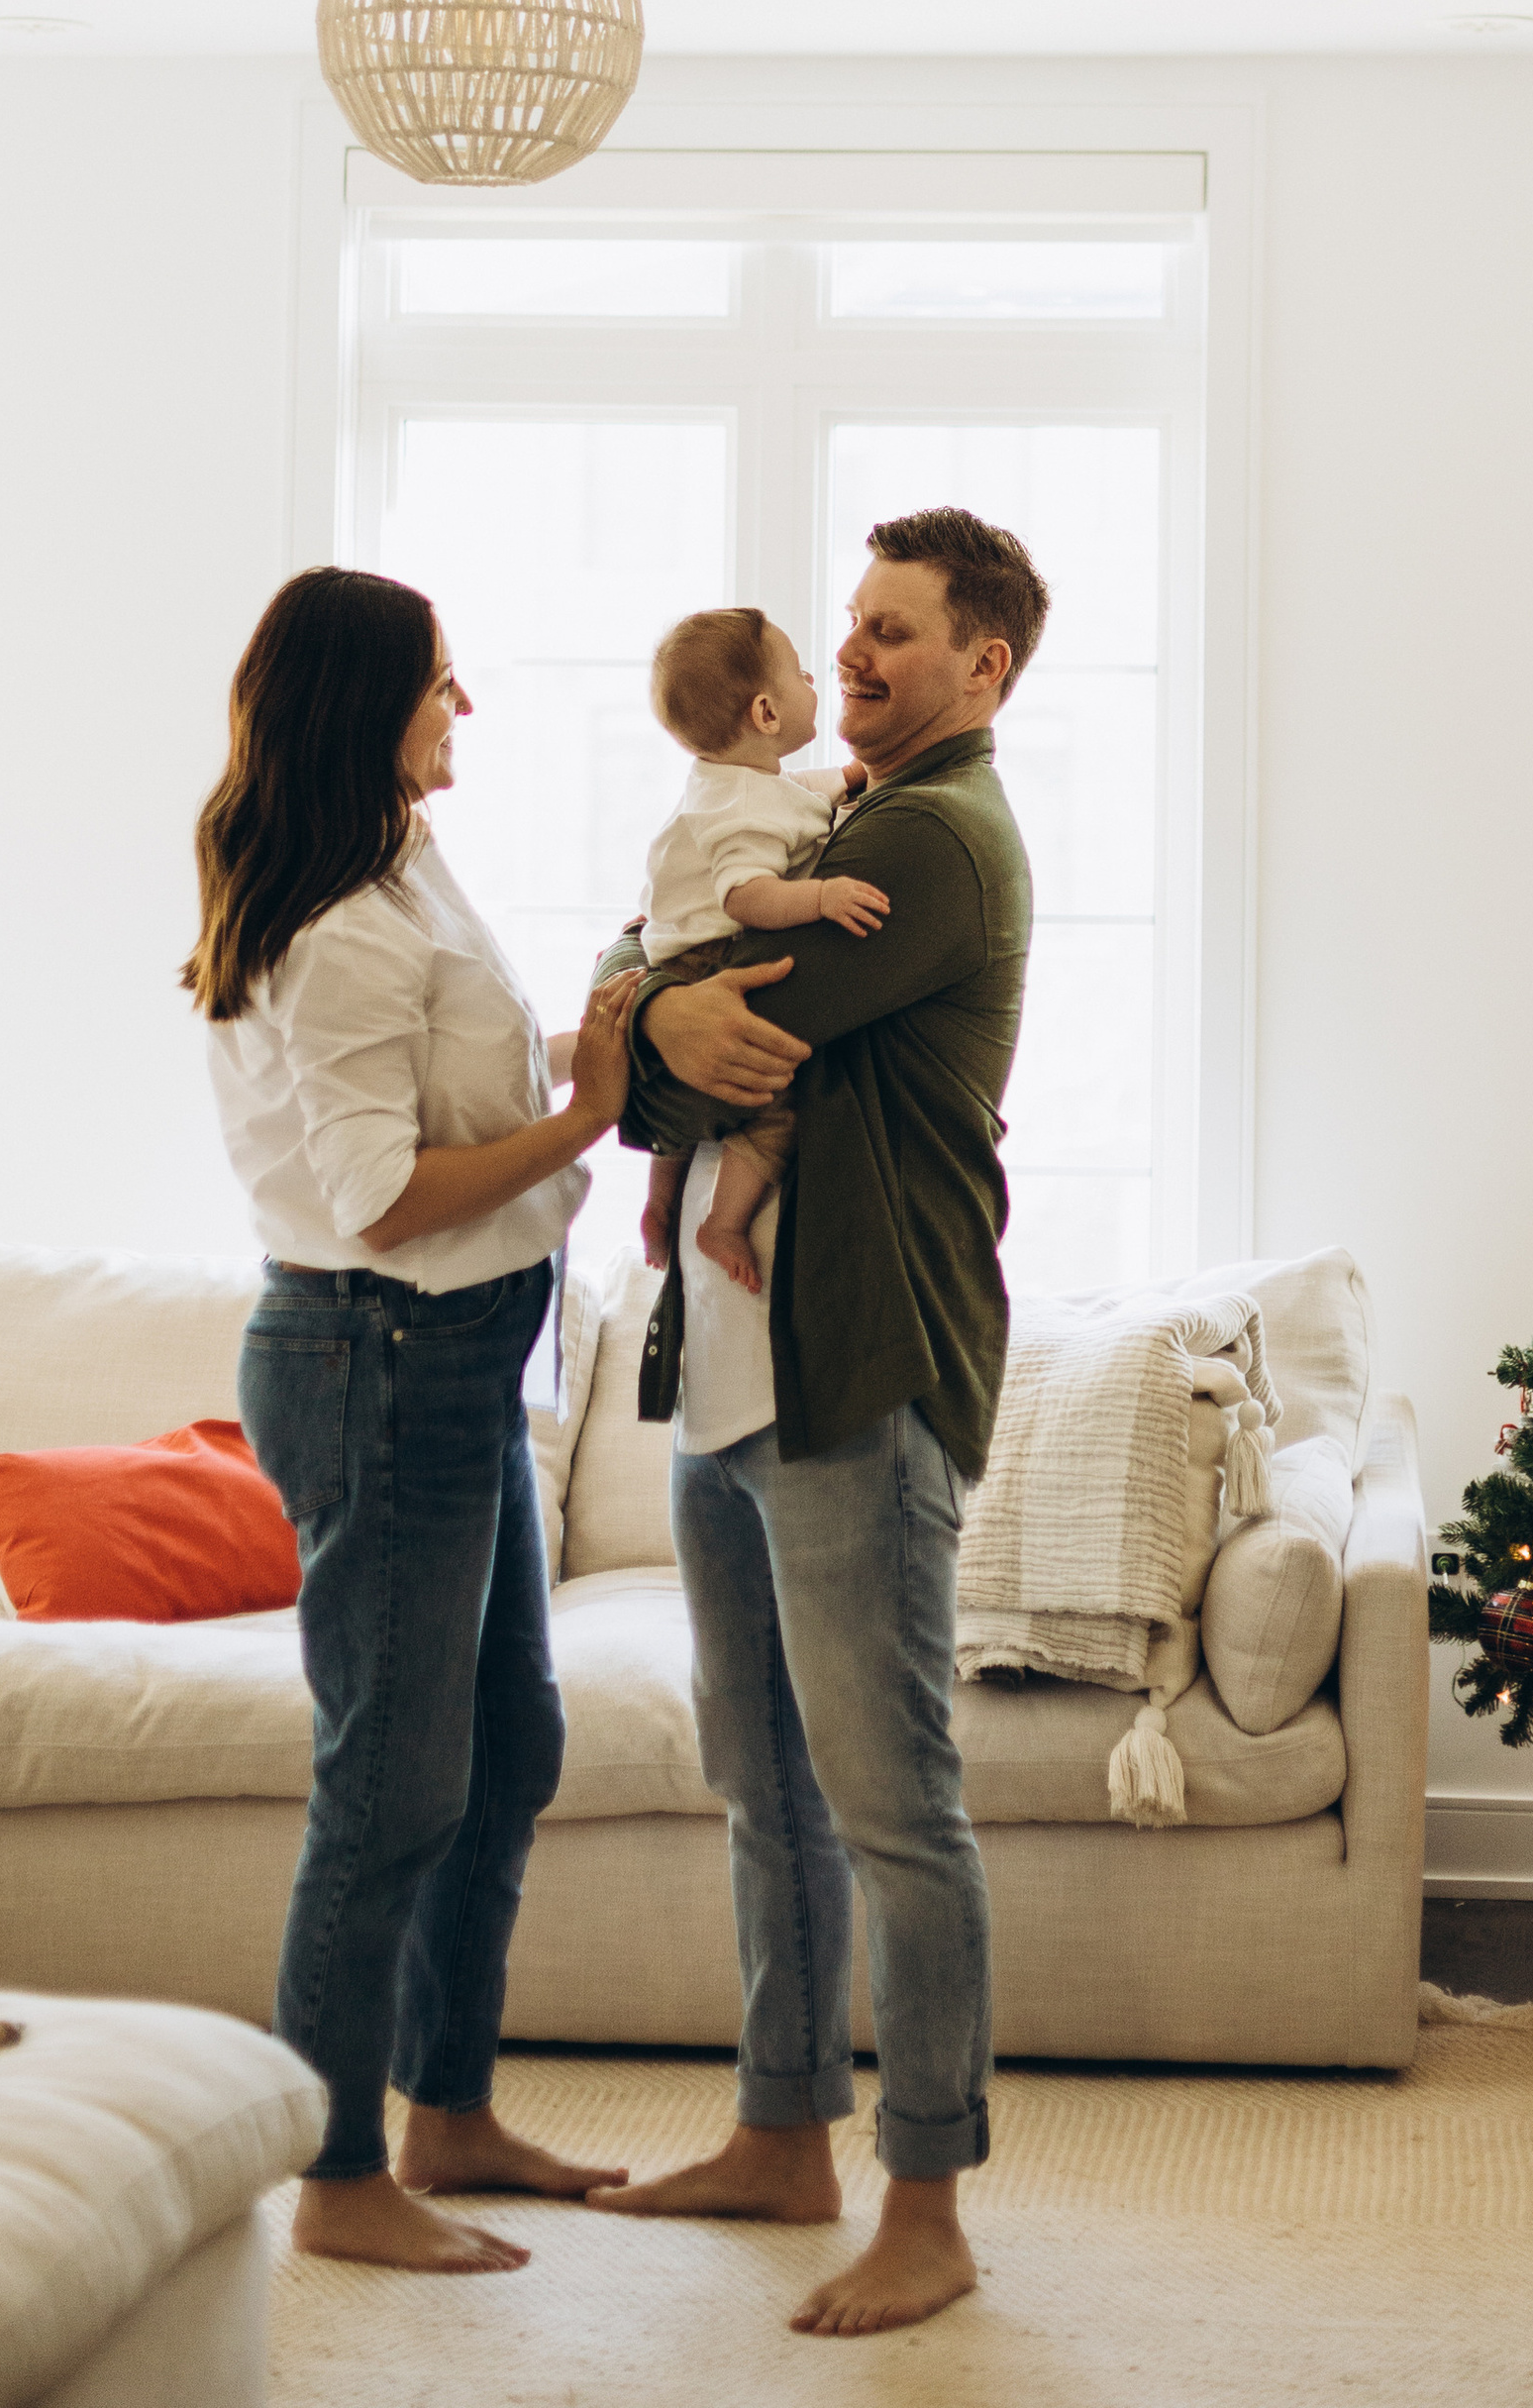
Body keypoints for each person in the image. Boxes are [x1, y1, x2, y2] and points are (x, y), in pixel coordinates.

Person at [588, 505, 1047, 2339]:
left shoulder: (935, 840)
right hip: (731, 1372)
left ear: (982, 665)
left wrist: (635, 1006)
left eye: (894, 633)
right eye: (846, 627)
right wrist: (646, 1011)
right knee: (759, 1782)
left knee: (891, 1803)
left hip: (860, 1375)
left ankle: (925, 2199)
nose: (851, 655)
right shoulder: (835, 816)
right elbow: (654, 1021)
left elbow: (699, 1000)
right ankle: (784, 2134)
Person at [188, 564, 641, 2275]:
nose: (467, 708)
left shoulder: (397, 864)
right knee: (389, 1782)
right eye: (442, 681)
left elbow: (432, 1098)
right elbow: (380, 1196)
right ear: (364, 701)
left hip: (458, 1356)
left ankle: (452, 2111)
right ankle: (337, 2176)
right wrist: (586, 1115)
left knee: (508, 1743)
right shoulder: (338, 929)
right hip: (380, 1354)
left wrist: (575, 1050)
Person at [635, 605, 887, 1297]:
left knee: (685, 1094)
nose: (818, 677)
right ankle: (722, 1221)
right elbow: (746, 895)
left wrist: (854, 777)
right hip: (709, 957)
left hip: (670, 952)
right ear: (768, 713)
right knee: (775, 1102)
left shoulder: (735, 782)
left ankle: (660, 1199)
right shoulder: (745, 810)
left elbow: (797, 796)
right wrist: (822, 896)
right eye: (802, 673)